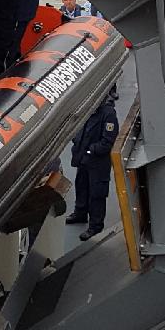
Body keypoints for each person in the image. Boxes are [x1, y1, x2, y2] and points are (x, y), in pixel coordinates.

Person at [67, 84, 120, 241]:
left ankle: (95, 225)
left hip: (97, 162)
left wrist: (91, 150)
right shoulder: (88, 109)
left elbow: (107, 141)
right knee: (81, 185)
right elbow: (78, 128)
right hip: (83, 157)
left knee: (97, 193)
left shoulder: (108, 114)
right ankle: (80, 213)